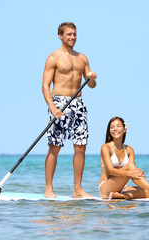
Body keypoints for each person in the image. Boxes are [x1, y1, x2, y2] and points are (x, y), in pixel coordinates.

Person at [42, 22, 97, 198]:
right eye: (69, 34)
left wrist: (92, 78)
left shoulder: (82, 58)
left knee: (81, 147)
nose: (72, 37)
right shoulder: (53, 58)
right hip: (59, 103)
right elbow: (45, 86)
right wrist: (52, 107)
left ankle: (77, 189)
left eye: (74, 34)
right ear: (60, 36)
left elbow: (92, 85)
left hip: (78, 103)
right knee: (55, 147)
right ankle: (49, 189)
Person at [99, 117, 149, 199]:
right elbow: (111, 171)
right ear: (109, 131)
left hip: (122, 187)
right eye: (112, 127)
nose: (115, 129)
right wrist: (131, 173)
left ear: (124, 129)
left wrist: (137, 173)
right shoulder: (106, 147)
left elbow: (133, 171)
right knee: (130, 167)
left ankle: (121, 196)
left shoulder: (129, 150)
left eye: (118, 126)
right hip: (106, 187)